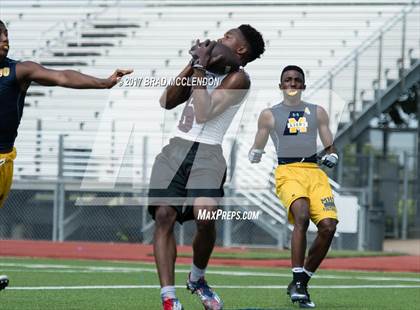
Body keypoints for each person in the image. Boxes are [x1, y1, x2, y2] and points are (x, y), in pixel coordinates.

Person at [0, 20, 132, 291]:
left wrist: (105, 83)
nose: (5, 41)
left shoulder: (19, 70)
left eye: (6, 35)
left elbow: (62, 76)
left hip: (4, 158)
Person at [148, 25, 265, 310]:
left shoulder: (239, 78)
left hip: (208, 153)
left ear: (240, 50)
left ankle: (197, 278)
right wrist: (191, 65)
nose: (218, 39)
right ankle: (168, 297)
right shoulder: (202, 67)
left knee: (205, 215)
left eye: (228, 36)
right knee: (164, 216)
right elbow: (167, 101)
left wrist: (199, 67)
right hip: (176, 148)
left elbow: (204, 112)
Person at [249, 65, 339, 308]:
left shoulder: (317, 112)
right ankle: (298, 282)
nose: (292, 83)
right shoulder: (269, 114)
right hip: (288, 172)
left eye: (297, 80)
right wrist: (255, 152)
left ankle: (302, 280)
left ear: (303, 85)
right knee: (301, 215)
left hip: (314, 173)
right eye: (287, 80)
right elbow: (259, 142)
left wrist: (332, 155)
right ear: (281, 86)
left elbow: (329, 143)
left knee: (329, 227)